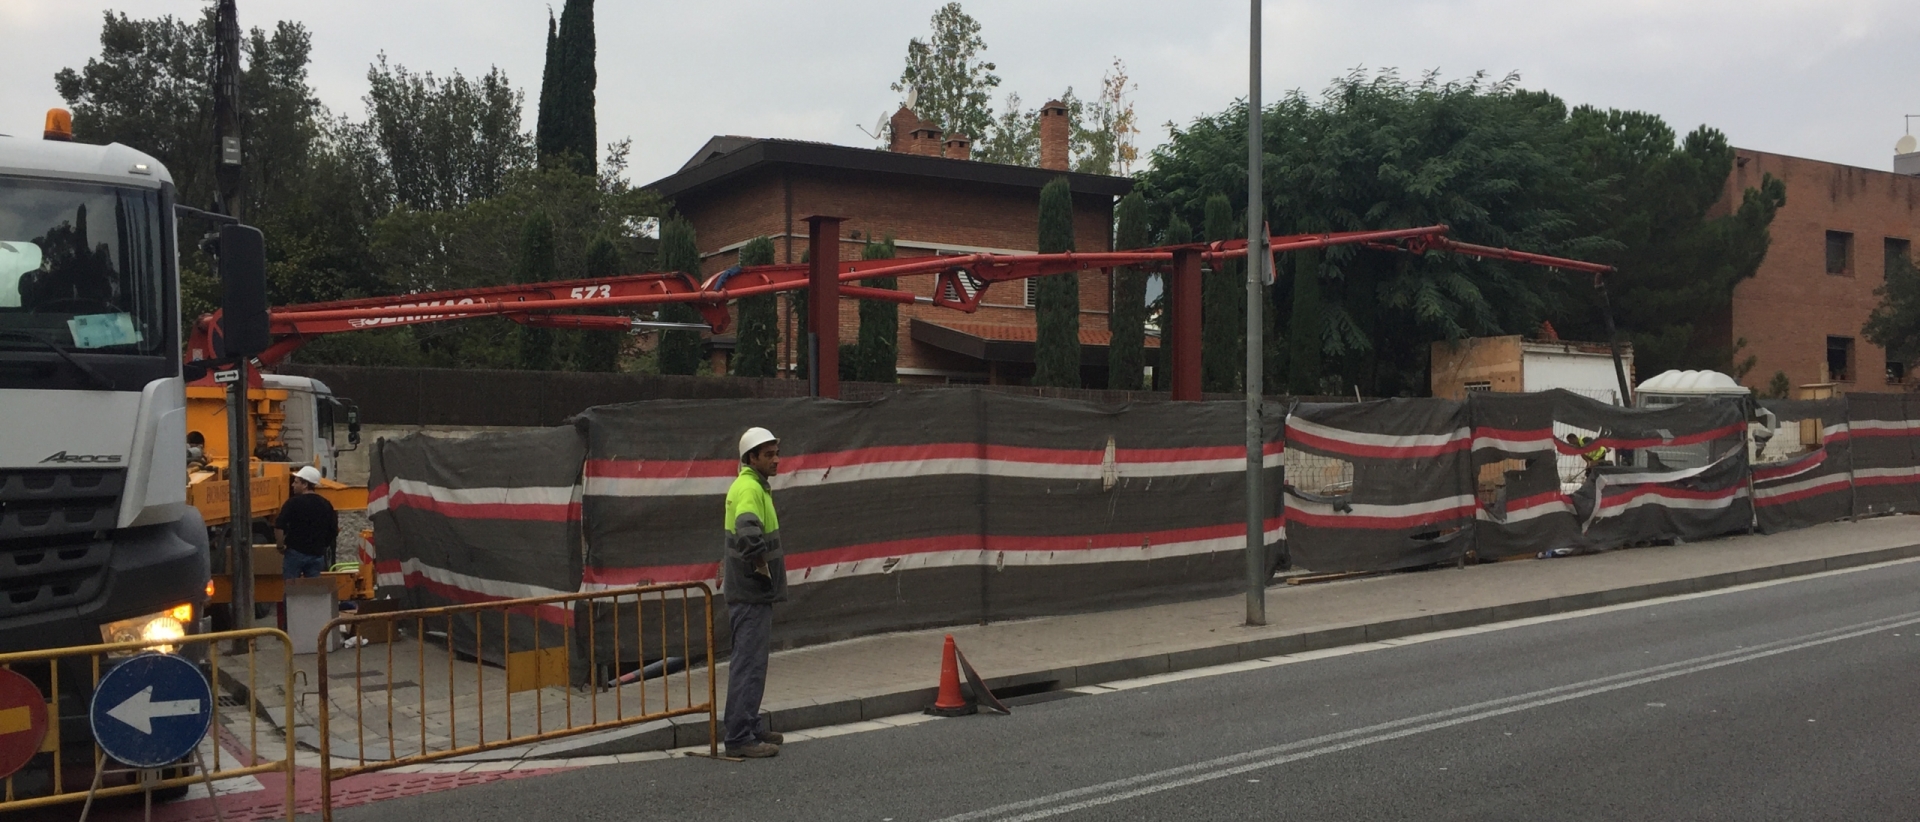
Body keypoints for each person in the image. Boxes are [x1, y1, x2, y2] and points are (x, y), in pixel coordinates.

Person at [721, 426, 787, 758]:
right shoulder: (749, 488)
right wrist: (761, 570)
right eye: (769, 455)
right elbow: (749, 533)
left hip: (750, 592)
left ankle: (748, 723)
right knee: (748, 664)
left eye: (777, 453)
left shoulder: (754, 486)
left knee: (753, 663)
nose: (777, 460)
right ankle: (739, 737)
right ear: (752, 458)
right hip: (750, 592)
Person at [276, 465, 337, 580]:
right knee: (313, 591)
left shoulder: (292, 503)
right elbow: (333, 530)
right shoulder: (326, 504)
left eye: (296, 482)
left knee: (291, 590)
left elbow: (279, 526)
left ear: (305, 485)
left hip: (294, 554)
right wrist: (322, 546)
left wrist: (280, 546)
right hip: (317, 555)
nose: (293, 485)